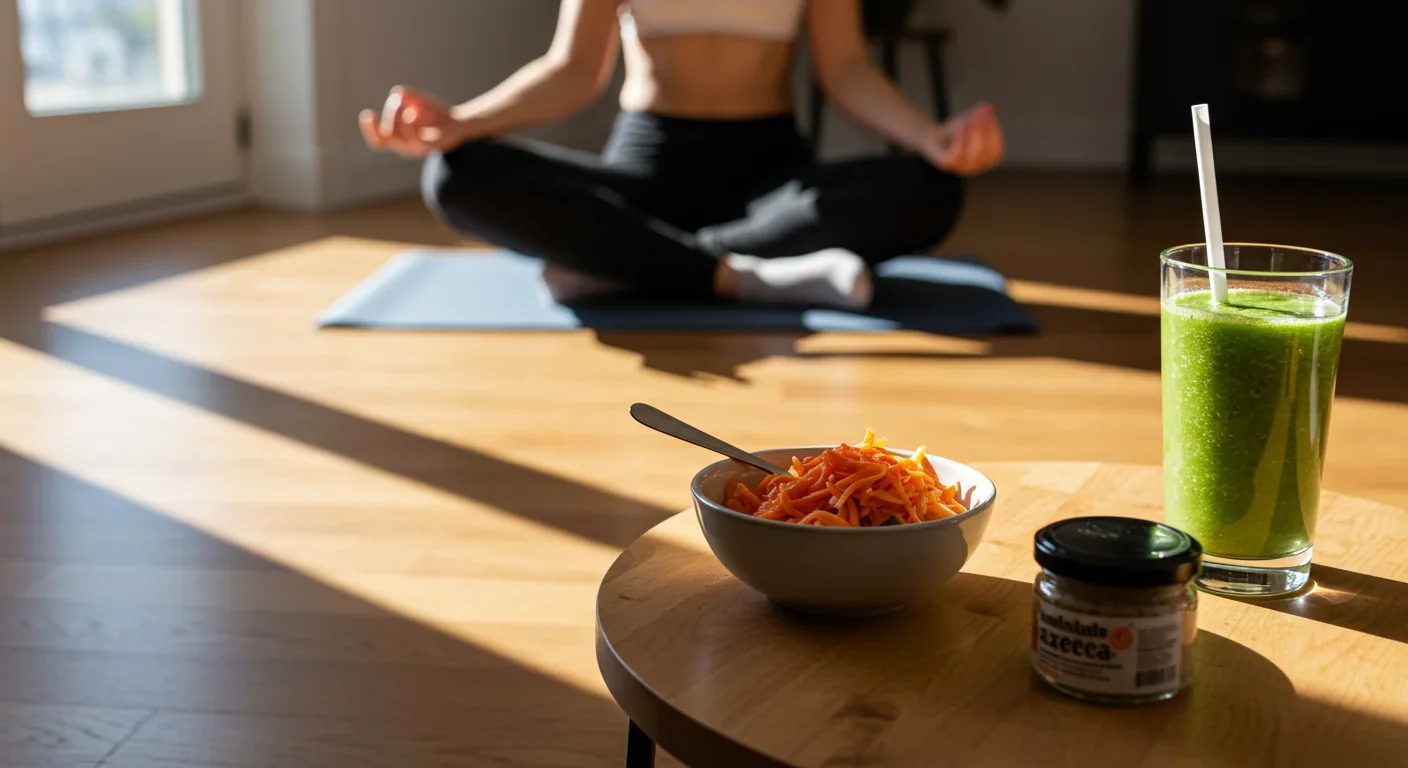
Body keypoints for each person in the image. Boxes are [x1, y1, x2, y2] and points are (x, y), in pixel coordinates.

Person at [360, 0, 1004, 310]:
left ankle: (630, 259)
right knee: (455, 173)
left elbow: (846, 69)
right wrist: (460, 123)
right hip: (647, 168)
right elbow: (574, 68)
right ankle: (736, 275)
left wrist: (930, 138)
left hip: (770, 182)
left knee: (932, 188)